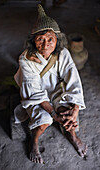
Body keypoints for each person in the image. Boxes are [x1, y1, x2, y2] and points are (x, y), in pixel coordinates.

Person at [14, 4, 87, 164]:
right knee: (45, 120)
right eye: (40, 39)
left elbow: (73, 79)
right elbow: (32, 90)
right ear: (33, 41)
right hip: (37, 96)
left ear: (57, 40)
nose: (46, 44)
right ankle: (34, 141)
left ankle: (73, 136)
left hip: (56, 91)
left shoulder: (63, 53)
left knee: (69, 113)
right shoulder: (25, 59)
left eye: (50, 39)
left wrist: (74, 109)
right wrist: (54, 115)